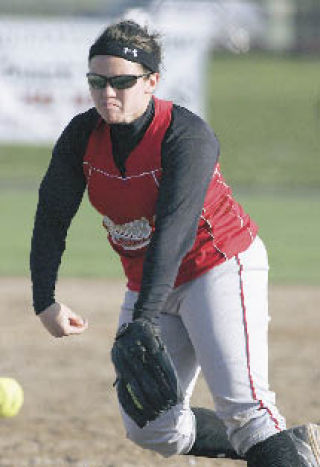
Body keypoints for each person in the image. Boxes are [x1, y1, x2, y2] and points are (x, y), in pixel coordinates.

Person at [30, 20, 320, 466]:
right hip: (151, 282)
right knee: (151, 425)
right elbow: (52, 214)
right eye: (97, 81)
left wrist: (143, 318)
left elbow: (175, 230)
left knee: (248, 412)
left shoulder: (186, 137)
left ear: (152, 82)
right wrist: (44, 299)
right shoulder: (82, 137)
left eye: (122, 82)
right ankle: (280, 447)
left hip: (218, 266)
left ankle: (267, 440)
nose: (108, 93)